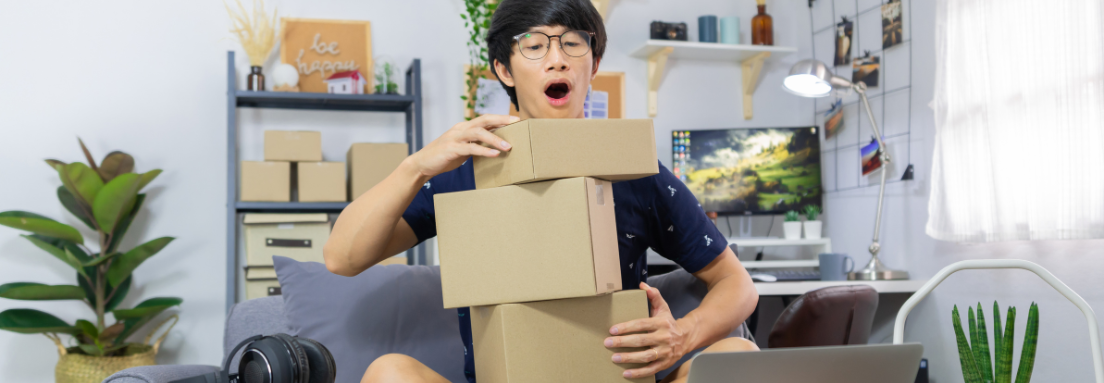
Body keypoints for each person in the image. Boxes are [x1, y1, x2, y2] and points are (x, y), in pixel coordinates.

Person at [323, 0, 759, 382]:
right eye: (534, 45)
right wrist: (417, 166)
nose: (557, 60)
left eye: (573, 43)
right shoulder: (463, 170)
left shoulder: (634, 172)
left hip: (617, 378)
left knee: (738, 356)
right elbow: (342, 258)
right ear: (503, 69)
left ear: (595, 64)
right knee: (389, 373)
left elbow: (738, 285)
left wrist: (683, 335)